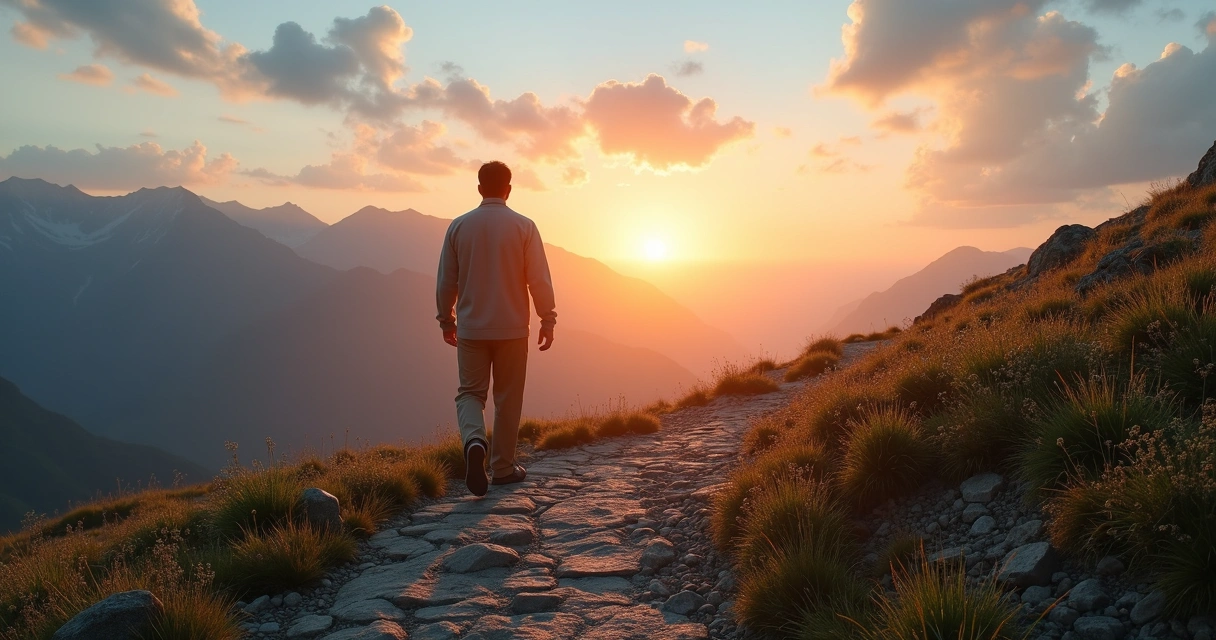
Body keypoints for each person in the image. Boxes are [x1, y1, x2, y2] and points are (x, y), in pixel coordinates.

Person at [436, 161, 557, 497]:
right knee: (508, 398)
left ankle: (475, 441)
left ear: (478, 189)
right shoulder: (524, 227)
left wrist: (447, 321)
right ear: (509, 188)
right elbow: (538, 279)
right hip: (513, 329)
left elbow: (447, 281)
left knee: (470, 394)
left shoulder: (459, 227)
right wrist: (547, 319)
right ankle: (502, 468)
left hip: (472, 330)